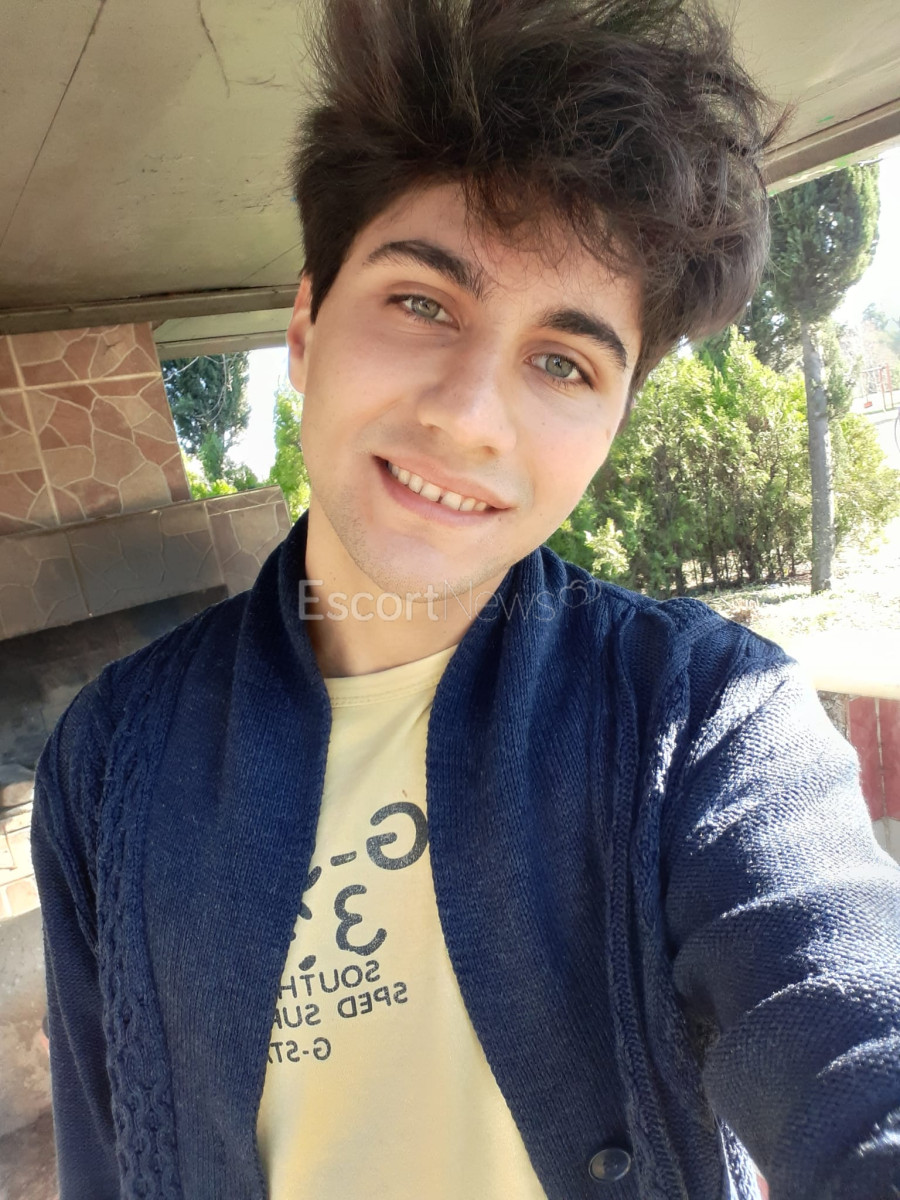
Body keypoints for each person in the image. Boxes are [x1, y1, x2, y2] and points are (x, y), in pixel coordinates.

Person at [32, 1, 900, 1197]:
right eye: (423, 303)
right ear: (305, 327)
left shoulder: (705, 719)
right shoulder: (108, 764)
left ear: (613, 424)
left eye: (563, 362)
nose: (470, 417)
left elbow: (856, 1042)